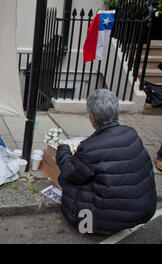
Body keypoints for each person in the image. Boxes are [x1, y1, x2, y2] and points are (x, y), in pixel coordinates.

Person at [56, 88, 157, 234]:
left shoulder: (89, 148)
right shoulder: (131, 134)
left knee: (66, 179)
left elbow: (69, 172)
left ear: (92, 118)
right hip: (141, 211)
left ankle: (98, 225)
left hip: (98, 219)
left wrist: (63, 150)